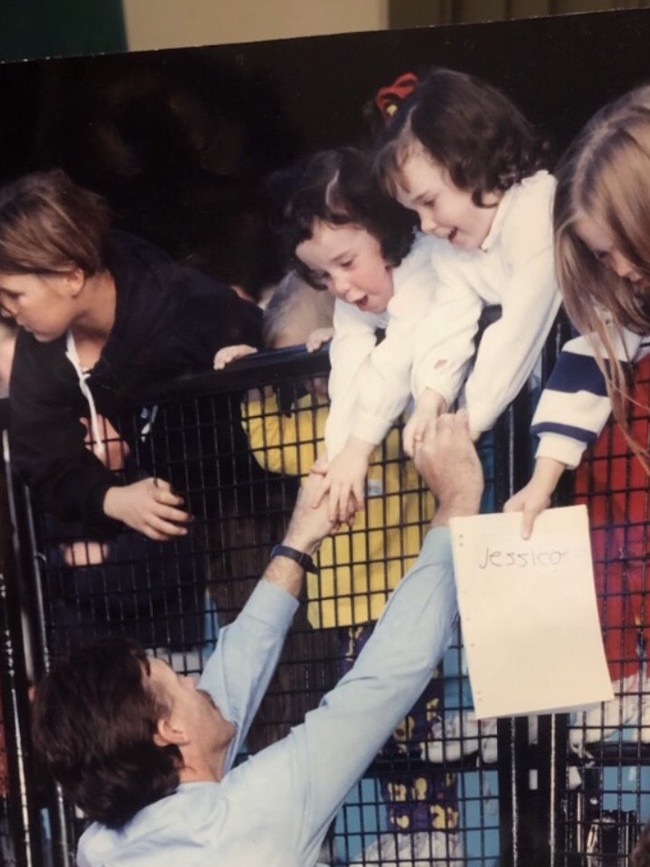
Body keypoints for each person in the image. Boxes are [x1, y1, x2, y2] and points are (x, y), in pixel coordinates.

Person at [32, 410, 483, 867]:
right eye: (179, 682)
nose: (196, 683)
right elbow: (387, 676)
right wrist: (457, 500)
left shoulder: (101, 847)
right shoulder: (253, 813)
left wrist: (299, 541)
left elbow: (235, 670)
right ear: (168, 731)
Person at [218, 273, 461, 863]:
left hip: (397, 595)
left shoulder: (388, 407)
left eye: (323, 357)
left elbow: (418, 391)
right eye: (302, 371)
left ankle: (433, 827)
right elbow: (268, 442)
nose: (317, 380)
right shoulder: (311, 428)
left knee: (411, 717)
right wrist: (252, 376)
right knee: (364, 725)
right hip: (339, 606)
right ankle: (406, 826)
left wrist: (360, 349)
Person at [0, 169, 262, 542]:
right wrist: (111, 498)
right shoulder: (41, 338)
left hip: (241, 513)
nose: (7, 310)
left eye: (14, 295)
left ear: (71, 277)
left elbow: (262, 344)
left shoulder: (184, 305)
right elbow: (38, 452)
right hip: (137, 546)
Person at [373, 66, 561, 453]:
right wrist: (430, 401)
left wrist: (469, 419)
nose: (425, 225)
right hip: (519, 404)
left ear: (474, 163)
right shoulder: (452, 249)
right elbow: (447, 321)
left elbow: (520, 327)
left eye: (429, 202)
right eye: (414, 213)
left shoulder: (537, 208)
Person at [258, 145, 441, 523]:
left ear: (385, 230)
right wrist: (336, 456)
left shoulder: (423, 266)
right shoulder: (356, 297)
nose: (339, 285)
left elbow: (397, 358)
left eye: (346, 262)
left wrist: (355, 453)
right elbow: (348, 364)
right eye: (324, 275)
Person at [504, 84, 650, 537]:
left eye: (625, 245)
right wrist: (541, 483)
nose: (622, 268)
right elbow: (586, 369)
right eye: (603, 255)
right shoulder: (626, 305)